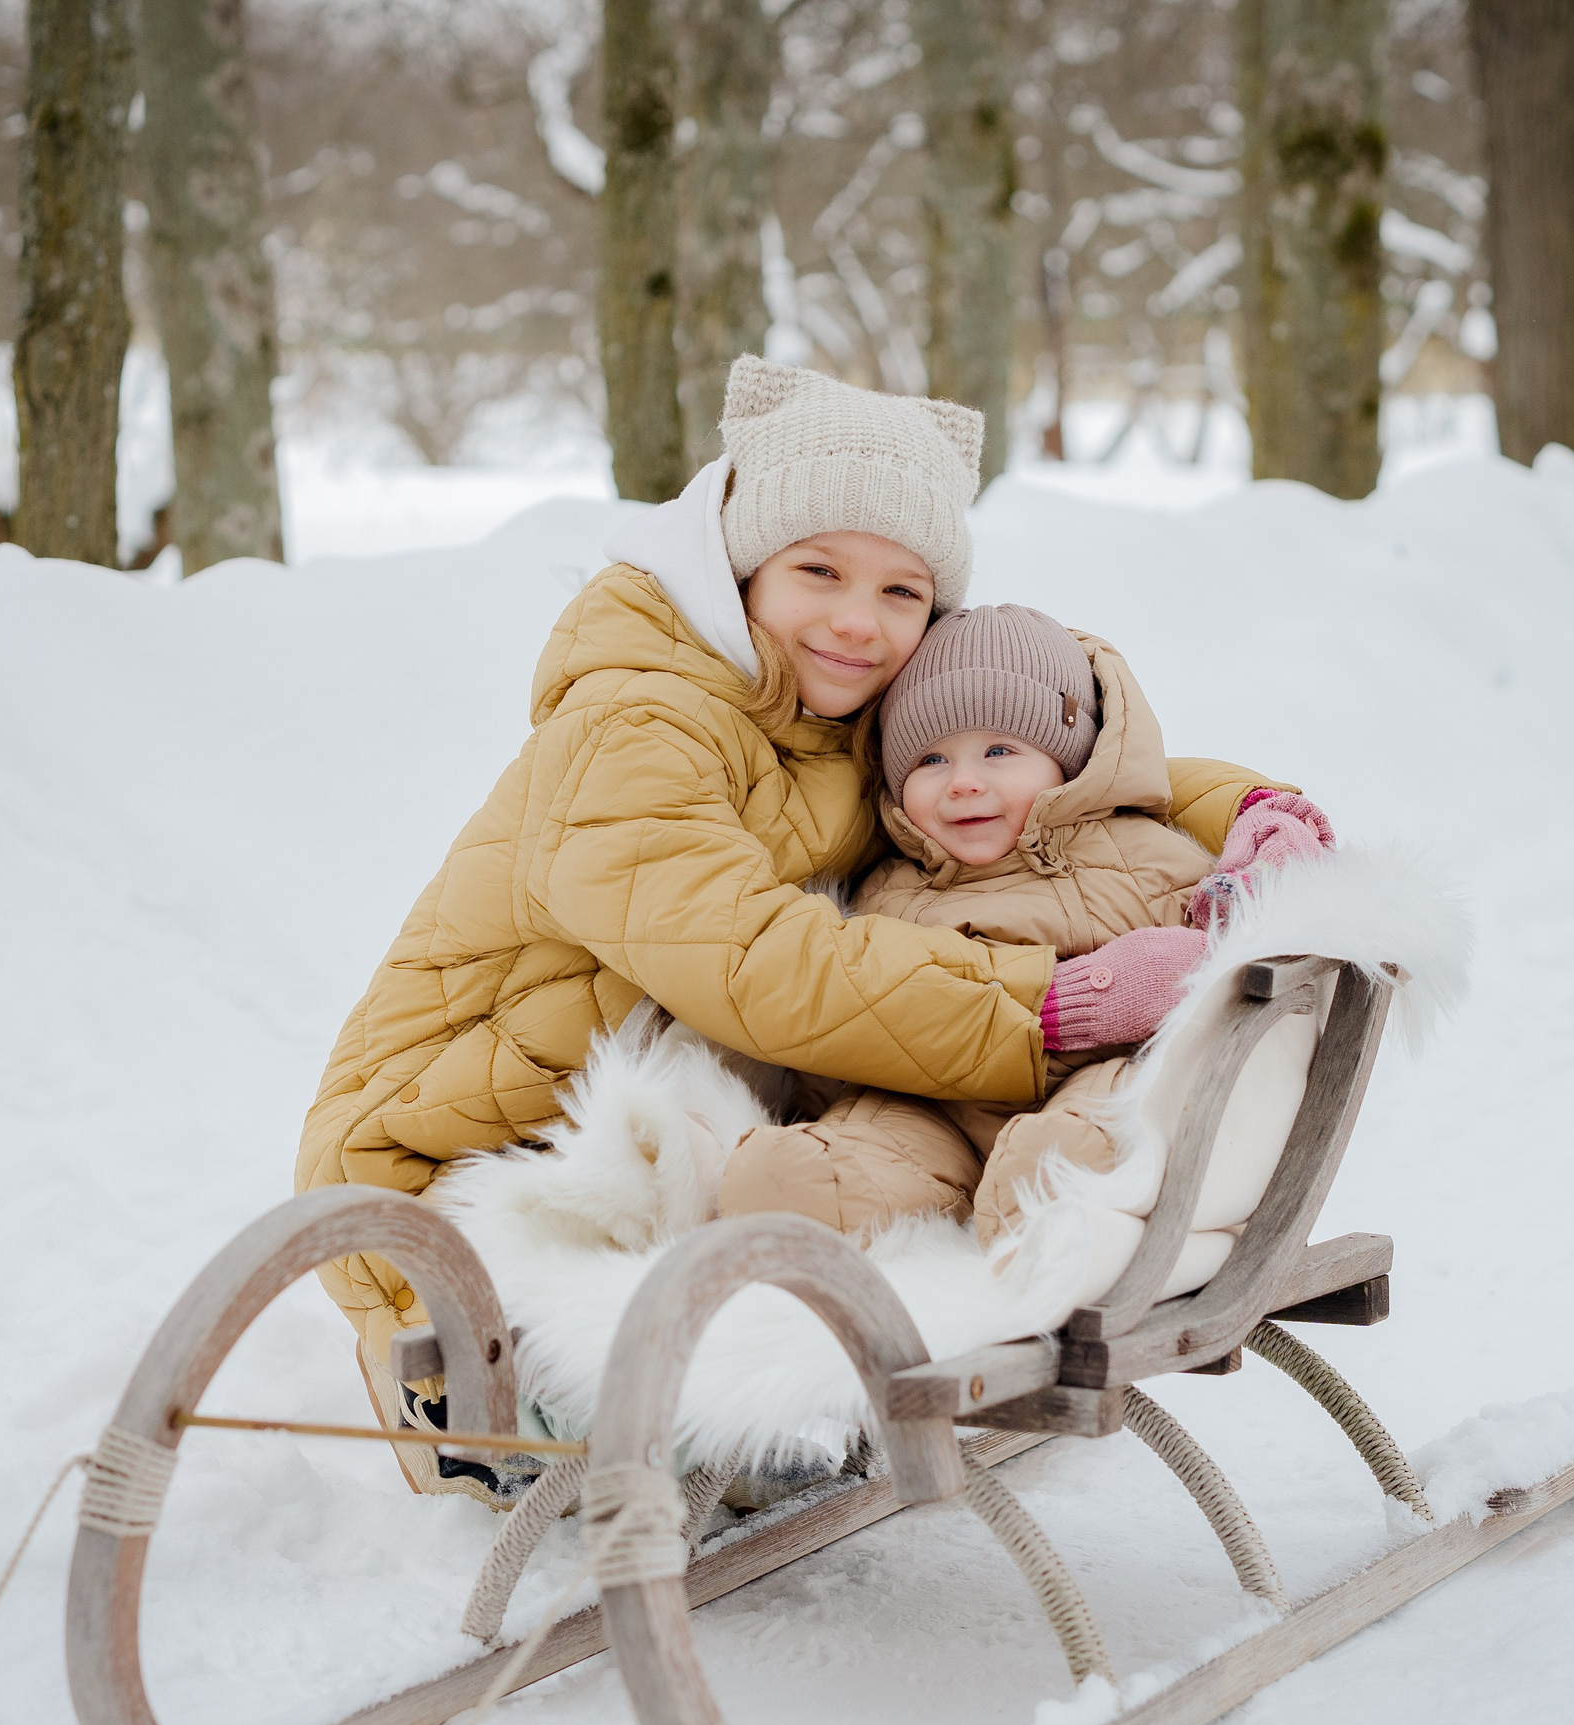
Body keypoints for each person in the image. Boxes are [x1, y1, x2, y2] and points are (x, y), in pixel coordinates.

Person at [295, 357, 1296, 1496]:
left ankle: (752, 1422)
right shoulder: (636, 724)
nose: (858, 621)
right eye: (818, 569)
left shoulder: (828, 701)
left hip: (679, 1116)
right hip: (462, 1156)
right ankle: (507, 1434)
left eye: (902, 591)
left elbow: (1037, 745)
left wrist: (1249, 810)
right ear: (737, 565)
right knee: (662, 1405)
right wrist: (1047, 1007)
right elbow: (758, 964)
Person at [715, 604, 1331, 1245]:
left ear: (1069, 760)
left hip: (1097, 1075)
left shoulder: (1145, 855)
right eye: (930, 760)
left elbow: (1225, 964)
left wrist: (1236, 906)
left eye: (999, 751)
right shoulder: (886, 888)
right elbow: (858, 1015)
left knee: (1113, 1110)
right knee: (854, 1144)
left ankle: (1061, 1191)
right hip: (933, 1104)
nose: (963, 782)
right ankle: (815, 1191)